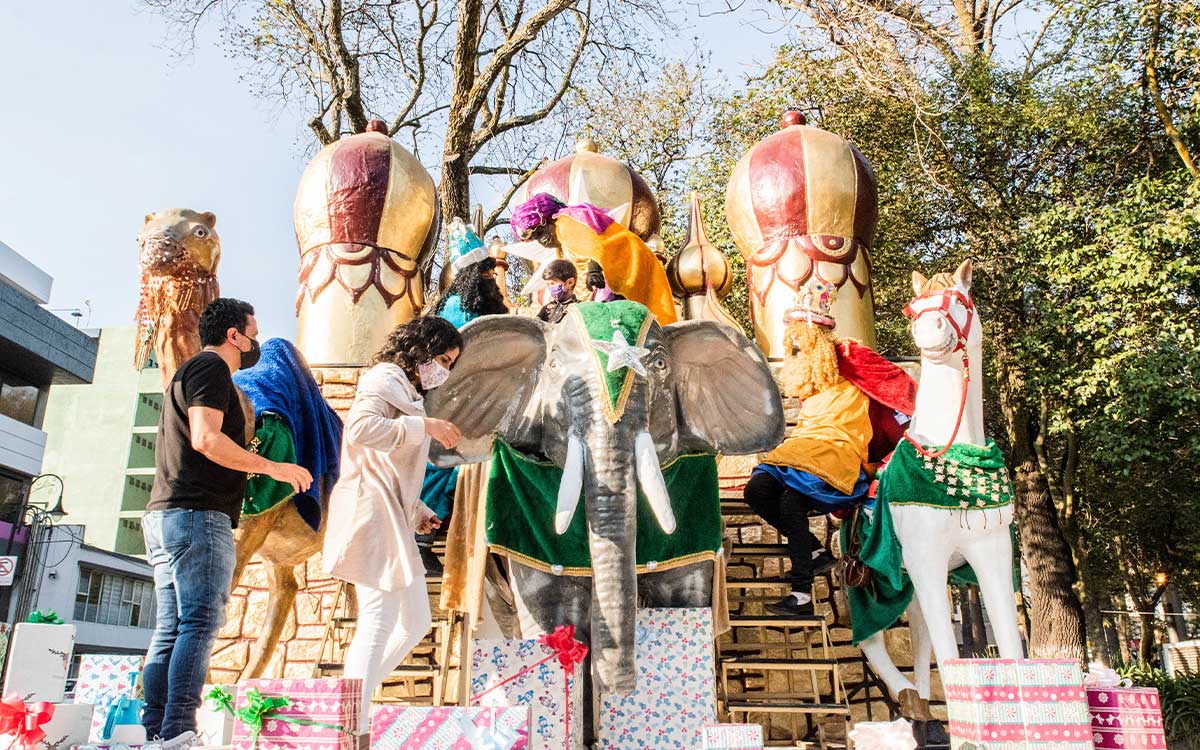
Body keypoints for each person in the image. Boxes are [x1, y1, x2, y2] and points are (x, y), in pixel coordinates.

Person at [142, 298, 312, 749]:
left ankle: (155, 729)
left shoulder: (187, 372)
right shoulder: (211, 370)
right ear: (234, 335)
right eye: (252, 331)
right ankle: (178, 727)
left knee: (172, 626)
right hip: (197, 516)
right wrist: (274, 468)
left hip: (168, 516)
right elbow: (206, 438)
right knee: (198, 622)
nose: (256, 341)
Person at [321, 315, 464, 731]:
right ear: (420, 348)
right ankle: (352, 722)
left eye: (450, 363)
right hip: (371, 511)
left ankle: (350, 704)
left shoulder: (405, 391)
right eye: (442, 358)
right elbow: (362, 430)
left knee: (416, 620)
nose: (444, 370)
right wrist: (425, 426)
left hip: (391, 514)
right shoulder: (384, 378)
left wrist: (418, 510)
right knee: (379, 618)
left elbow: (387, 465)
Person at [743, 283, 914, 618]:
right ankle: (815, 550)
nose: (793, 346)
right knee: (758, 489)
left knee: (791, 501)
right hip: (805, 447)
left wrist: (913, 428)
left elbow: (897, 386)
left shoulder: (851, 358)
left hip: (840, 450)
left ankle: (802, 597)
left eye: (799, 338)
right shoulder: (809, 376)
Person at [418, 219, 506, 574]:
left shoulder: (479, 307)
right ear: (473, 275)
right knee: (451, 463)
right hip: (456, 401)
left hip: (480, 401)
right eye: (486, 272)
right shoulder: (459, 309)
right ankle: (423, 539)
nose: (493, 280)